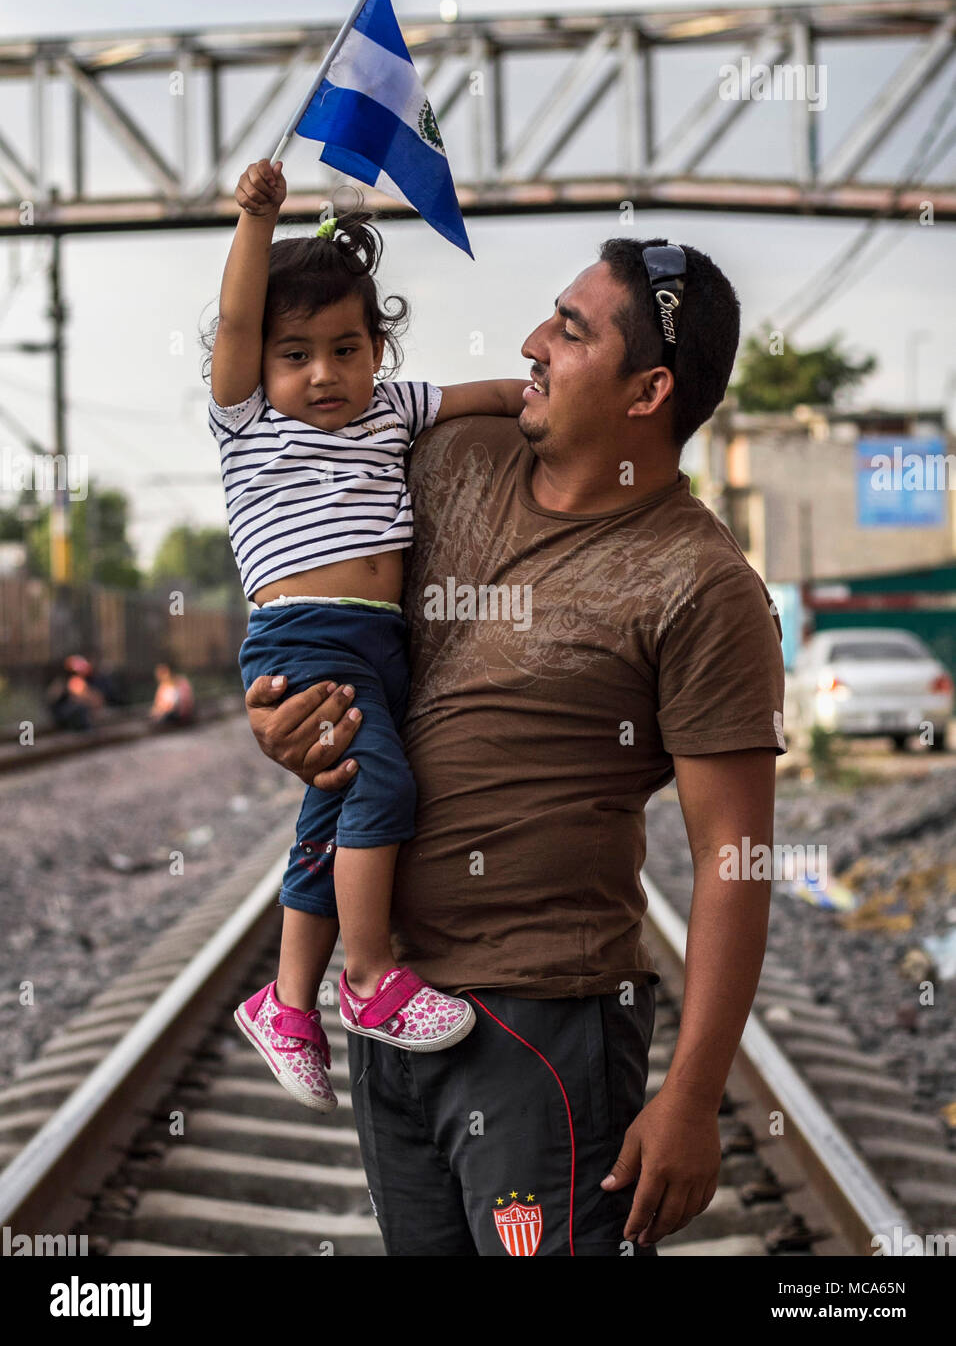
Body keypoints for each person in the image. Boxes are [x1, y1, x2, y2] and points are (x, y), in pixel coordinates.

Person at [244, 236, 788, 1256]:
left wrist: (691, 1093)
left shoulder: (701, 585)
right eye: (550, 316)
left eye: (570, 331)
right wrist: (281, 719)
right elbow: (319, 595)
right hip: (392, 1013)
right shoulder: (450, 459)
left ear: (647, 390)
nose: (532, 342)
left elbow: (733, 857)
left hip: (540, 1025)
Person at [204, 159, 527, 1113]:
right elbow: (233, 322)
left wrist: (547, 393)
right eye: (295, 353)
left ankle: (287, 1002)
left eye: (347, 349)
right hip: (302, 640)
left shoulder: (394, 406)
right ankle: (370, 976)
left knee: (329, 816)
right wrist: (257, 222)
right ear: (260, 363)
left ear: (377, 350)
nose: (324, 374)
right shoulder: (247, 419)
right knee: (383, 785)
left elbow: (485, 398)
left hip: (377, 648)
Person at [148, 661, 195, 729]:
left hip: (180, 713)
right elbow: (158, 703)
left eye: (163, 672)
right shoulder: (162, 687)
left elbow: (186, 702)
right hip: (166, 713)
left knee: (166, 717)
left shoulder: (181, 682)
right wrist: (157, 710)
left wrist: (168, 708)